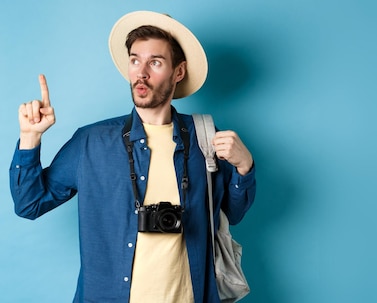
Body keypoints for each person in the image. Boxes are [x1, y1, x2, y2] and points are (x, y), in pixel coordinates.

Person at [9, 11, 256, 303]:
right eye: (135, 60)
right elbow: (29, 204)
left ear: (178, 72)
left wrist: (244, 166)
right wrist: (30, 137)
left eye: (155, 62)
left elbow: (232, 214)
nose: (141, 73)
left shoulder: (205, 136)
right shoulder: (92, 142)